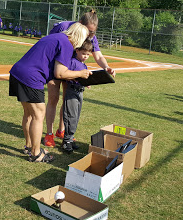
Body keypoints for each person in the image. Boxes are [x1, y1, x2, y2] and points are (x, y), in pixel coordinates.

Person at [9, 22, 91, 163]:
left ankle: (29, 146)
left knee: (29, 114)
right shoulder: (66, 44)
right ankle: (35, 153)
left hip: (17, 73)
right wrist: (81, 74)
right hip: (31, 78)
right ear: (79, 37)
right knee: (38, 115)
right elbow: (60, 73)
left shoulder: (56, 37)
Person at [44, 10, 116, 148]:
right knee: (53, 99)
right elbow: (49, 44)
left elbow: (98, 56)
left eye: (93, 32)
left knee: (68, 100)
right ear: (80, 24)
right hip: (55, 66)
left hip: (71, 70)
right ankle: (49, 134)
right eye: (88, 31)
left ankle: (62, 131)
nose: (90, 35)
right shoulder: (63, 27)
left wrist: (106, 67)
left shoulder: (91, 36)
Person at [61, 40, 93, 153]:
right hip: (72, 91)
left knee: (76, 116)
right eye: (83, 53)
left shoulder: (83, 64)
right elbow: (66, 74)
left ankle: (70, 138)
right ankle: (66, 141)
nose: (85, 56)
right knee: (71, 116)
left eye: (88, 54)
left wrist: (86, 83)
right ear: (77, 50)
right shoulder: (73, 62)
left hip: (80, 92)